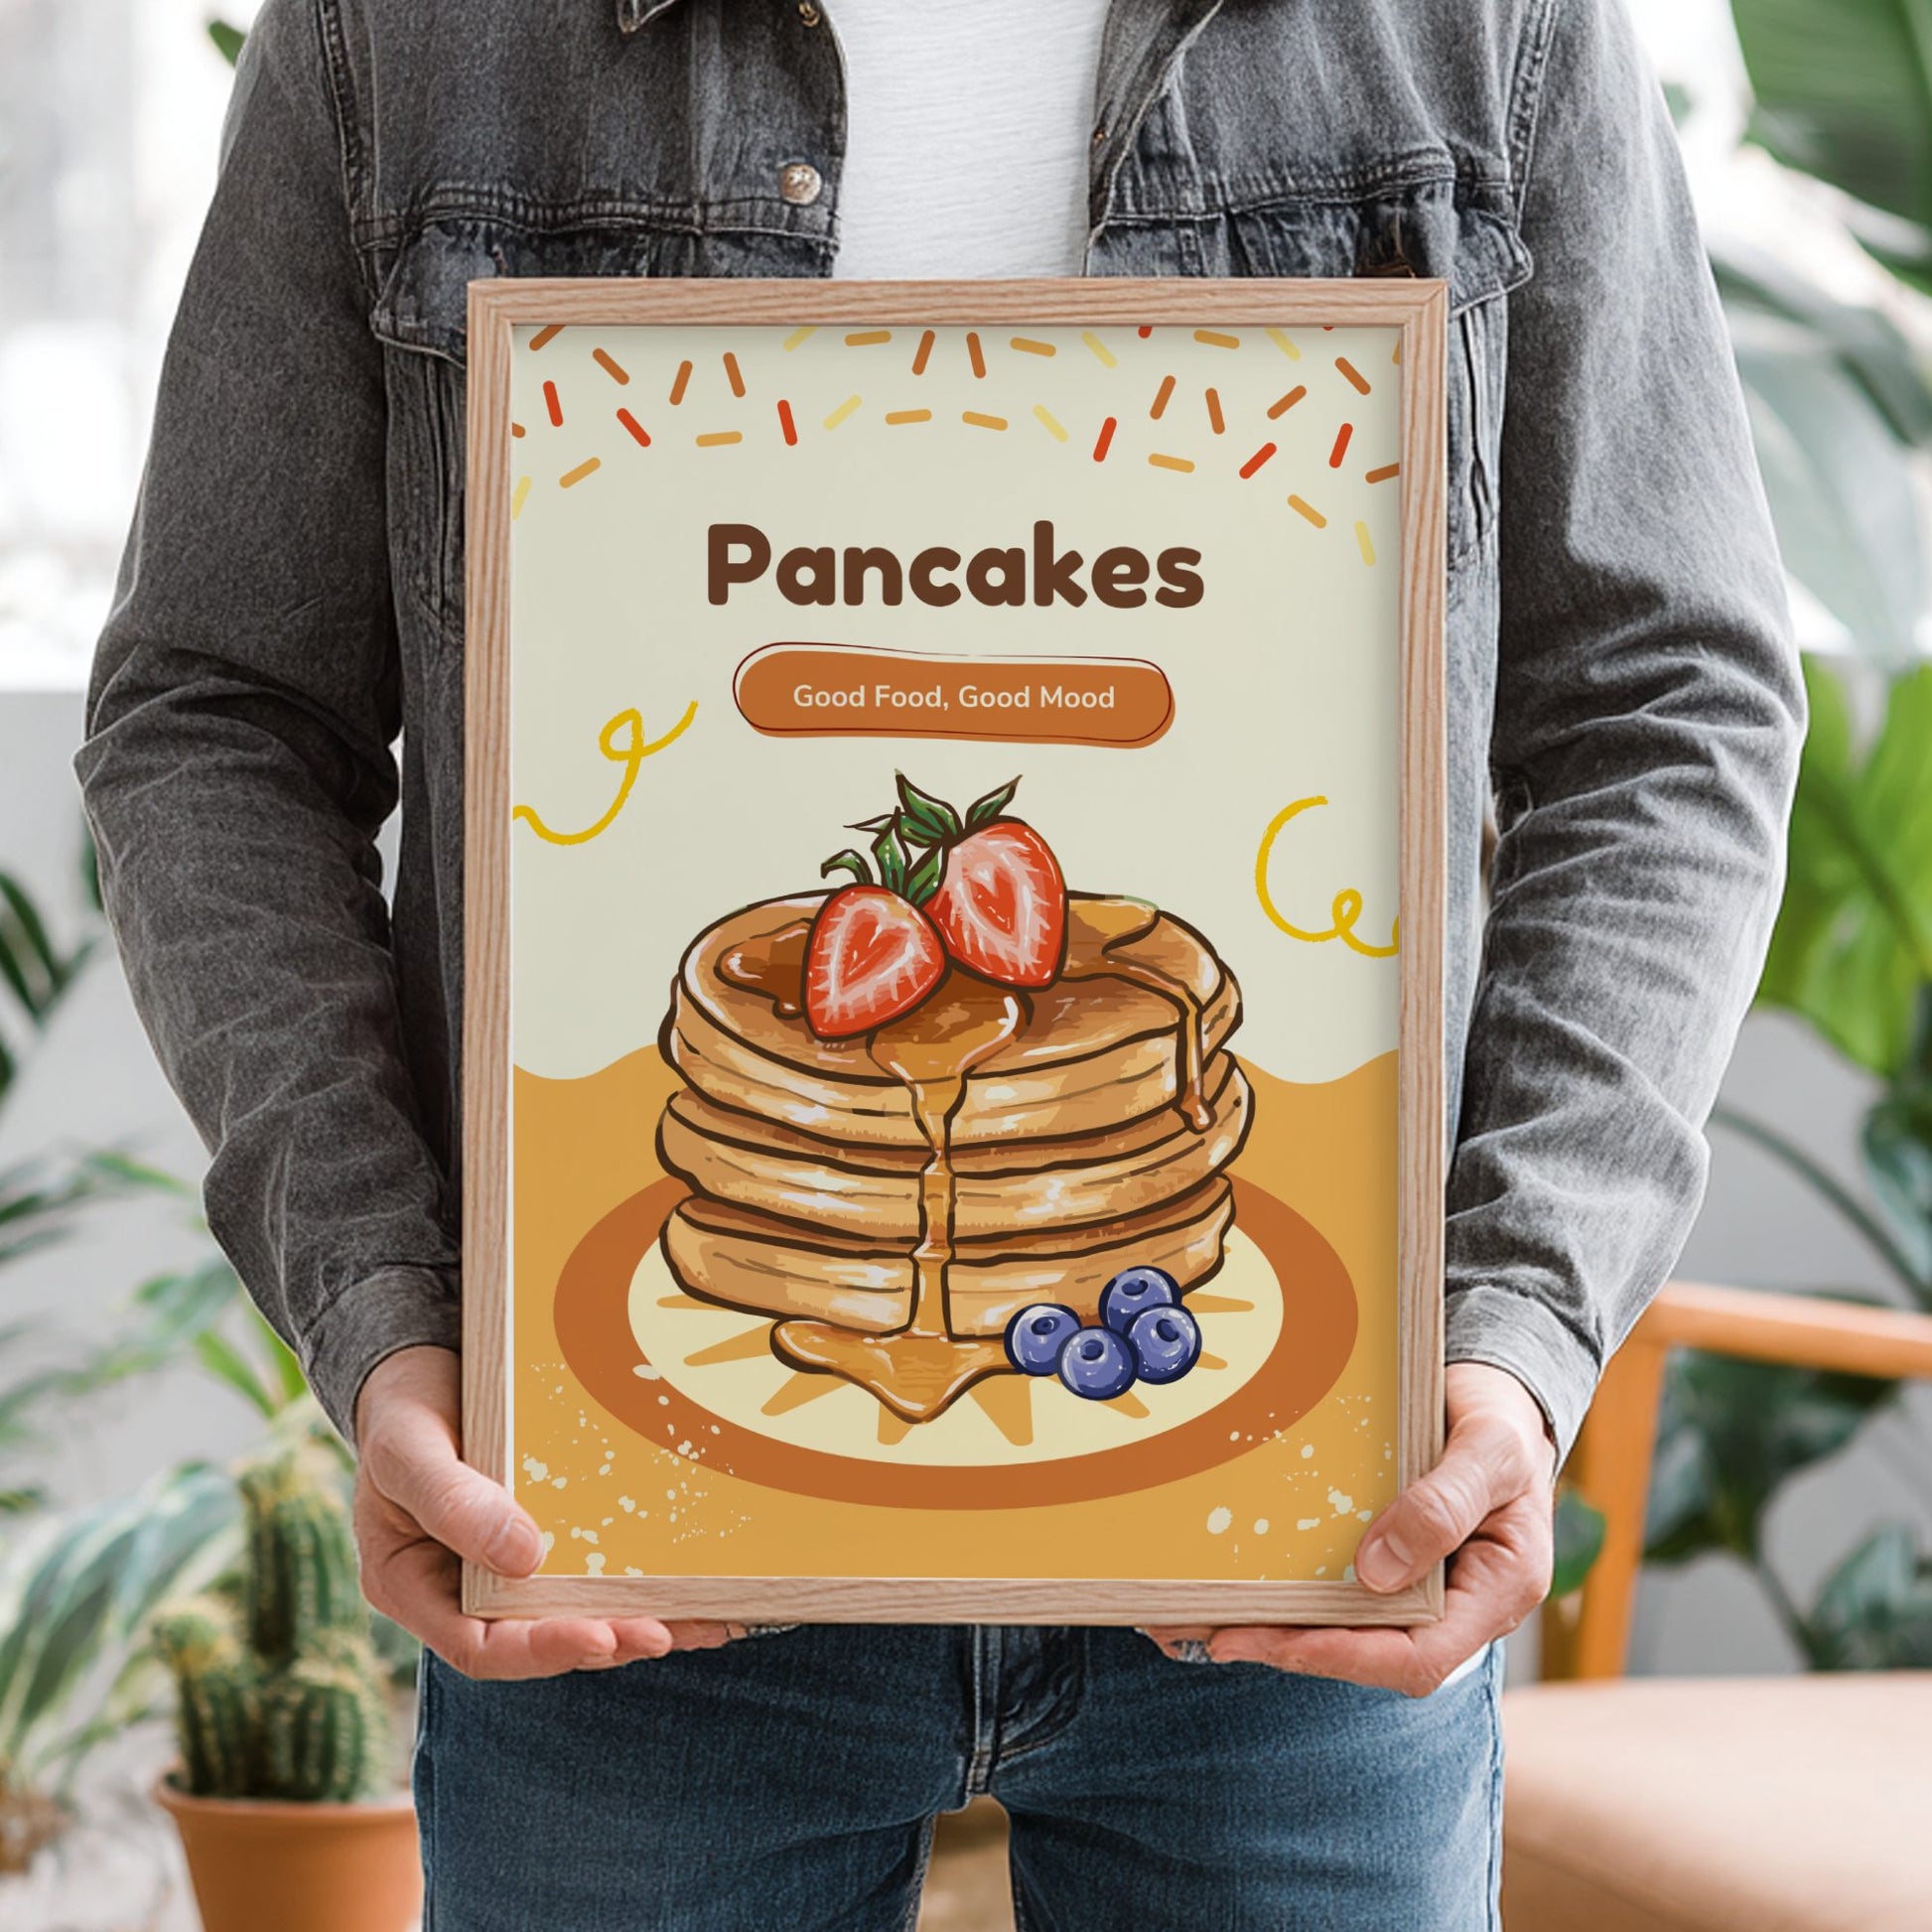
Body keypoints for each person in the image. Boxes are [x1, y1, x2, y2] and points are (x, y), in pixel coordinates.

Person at [76, 0, 1802, 1924]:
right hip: (627, 1564)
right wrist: (386, 1302)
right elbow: (214, 718)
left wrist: (1513, 1327)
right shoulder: (414, 32)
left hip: (1307, 1572)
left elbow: (1670, 708)